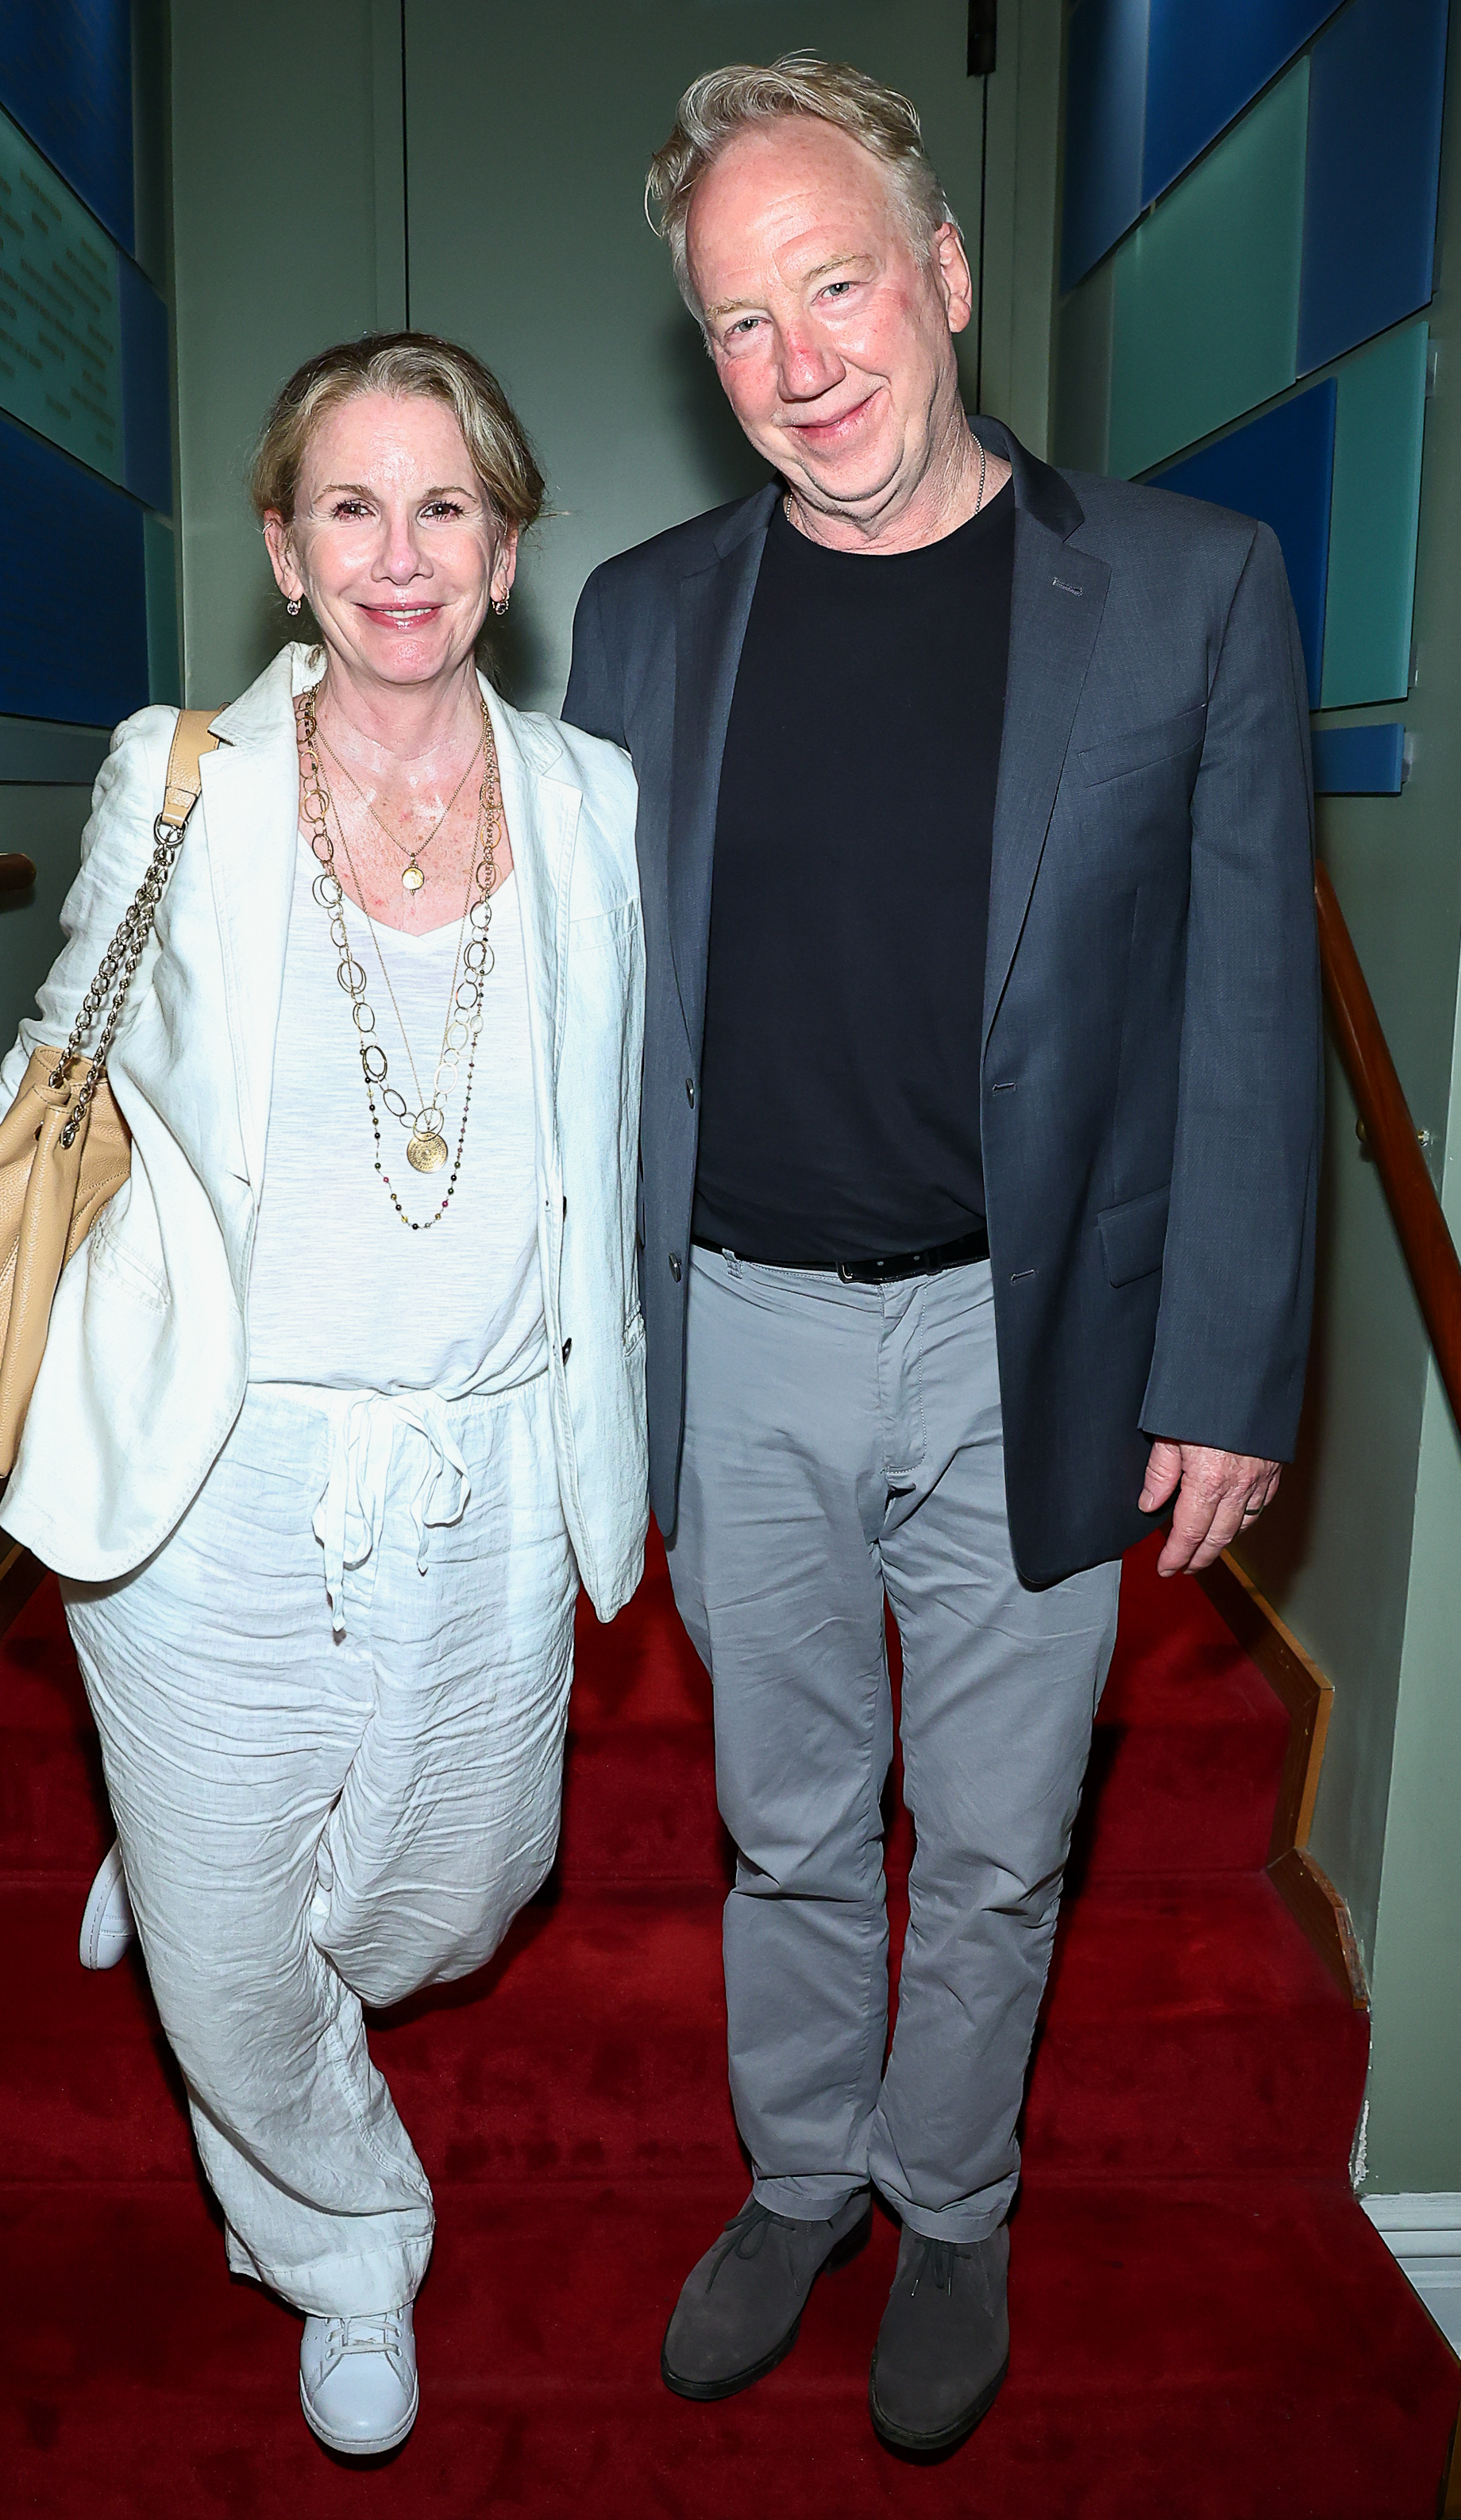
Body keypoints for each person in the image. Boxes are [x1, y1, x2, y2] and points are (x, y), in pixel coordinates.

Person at [0, 333, 648, 2460]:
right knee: (242, 1964)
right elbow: (47, 1069)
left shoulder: (596, 800)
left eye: (445, 507)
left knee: (457, 1896)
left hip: (490, 1450)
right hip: (216, 1460)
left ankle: (201, 1857)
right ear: (283, 545)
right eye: (352, 506)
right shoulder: (192, 779)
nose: (399, 553)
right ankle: (343, 2241)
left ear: (505, 549)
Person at [561, 57, 1319, 2456]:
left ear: (947, 276)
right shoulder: (643, 618)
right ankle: (803, 2175)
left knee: (998, 1844)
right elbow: (572, 1014)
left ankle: (955, 2196)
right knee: (786, 1822)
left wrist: (1231, 1362)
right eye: (741, 322)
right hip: (743, 1337)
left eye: (840, 283)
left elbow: (1243, 1011)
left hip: (1038, 1340)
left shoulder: (1191, 590)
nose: (802, 360)